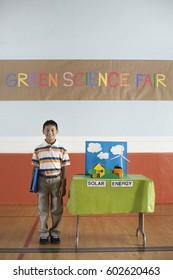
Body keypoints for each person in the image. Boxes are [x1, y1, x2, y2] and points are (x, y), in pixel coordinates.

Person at [32, 120, 70, 244]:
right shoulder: (38, 149)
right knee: (42, 208)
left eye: (52, 130)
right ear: (43, 132)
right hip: (42, 180)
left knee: (56, 208)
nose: (50, 132)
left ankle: (54, 233)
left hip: (57, 181)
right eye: (47, 130)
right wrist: (34, 184)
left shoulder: (62, 149)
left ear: (57, 131)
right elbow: (35, 167)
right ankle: (43, 233)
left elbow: (64, 167)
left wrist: (63, 185)